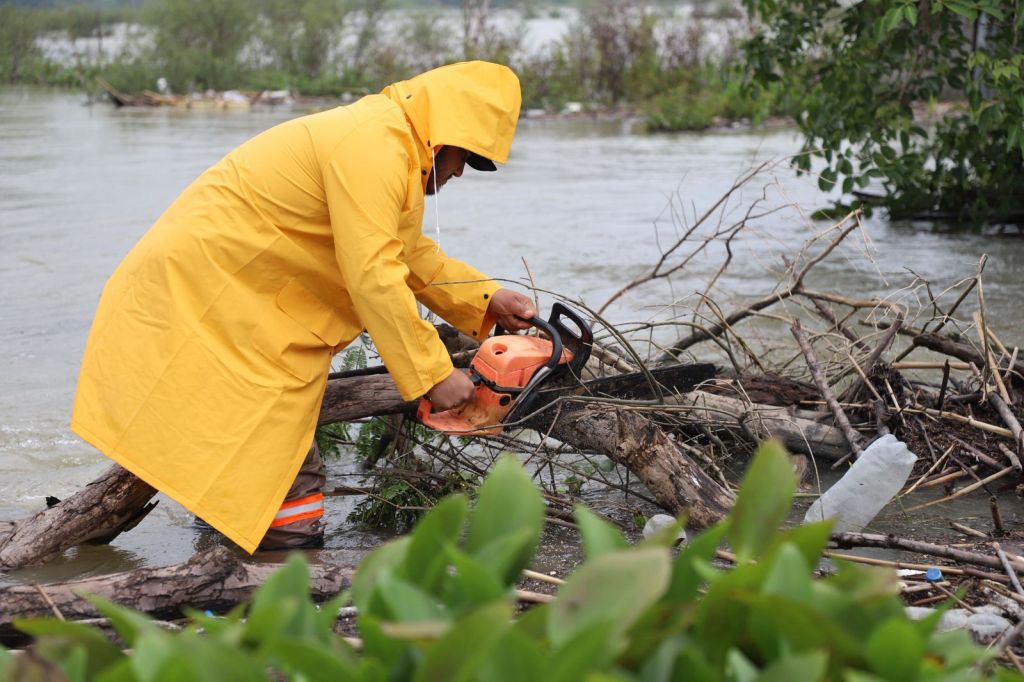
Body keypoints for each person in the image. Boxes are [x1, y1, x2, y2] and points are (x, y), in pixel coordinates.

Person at [71, 61, 535, 552]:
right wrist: (434, 375)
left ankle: (227, 550)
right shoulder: (375, 146)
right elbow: (374, 274)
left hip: (238, 298)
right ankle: (281, 577)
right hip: (206, 293)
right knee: (282, 469)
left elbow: (405, 252)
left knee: (241, 453)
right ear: (444, 138)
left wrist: (486, 298)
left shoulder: (388, 142)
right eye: (466, 157)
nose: (462, 171)